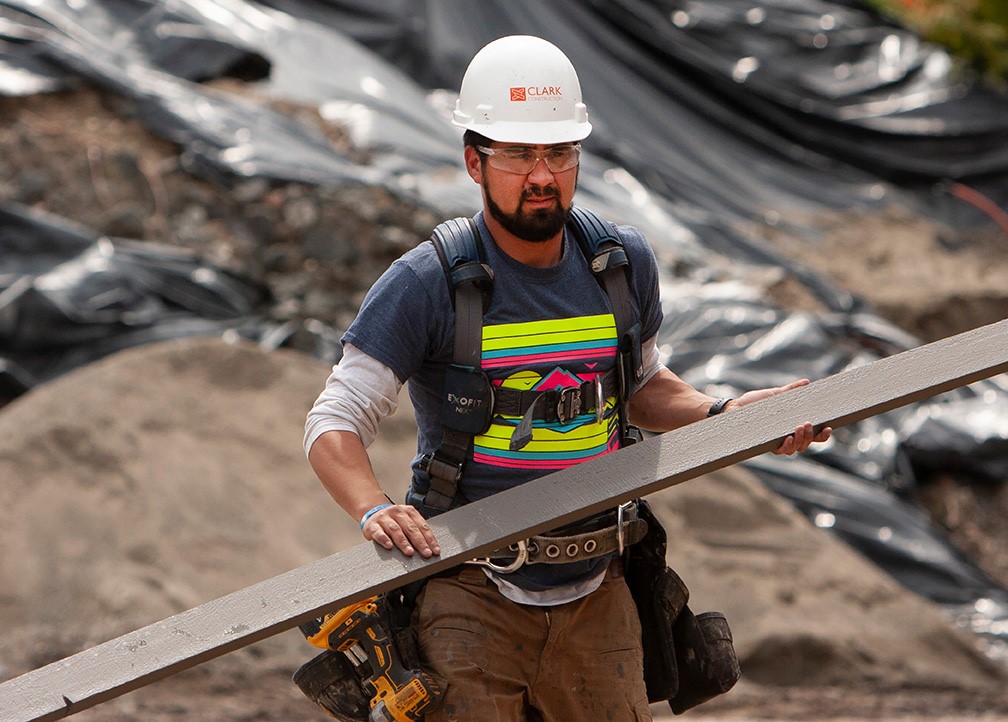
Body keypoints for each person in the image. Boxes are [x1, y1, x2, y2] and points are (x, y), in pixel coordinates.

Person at [304, 34, 831, 722]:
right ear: (475, 161)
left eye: (558, 153)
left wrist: (727, 414)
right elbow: (334, 420)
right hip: (470, 593)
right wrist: (375, 508)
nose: (542, 174)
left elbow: (641, 386)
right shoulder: (427, 282)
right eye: (519, 155)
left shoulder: (619, 264)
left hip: (600, 590)